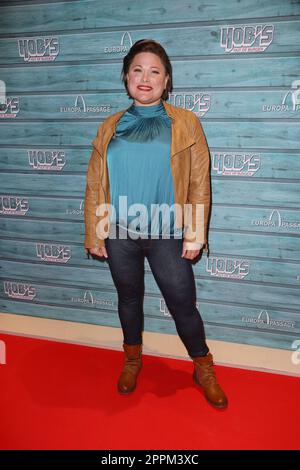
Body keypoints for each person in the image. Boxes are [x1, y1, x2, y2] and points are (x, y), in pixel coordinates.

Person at [84, 39, 228, 409]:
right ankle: (132, 359)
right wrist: (95, 230)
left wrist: (195, 234)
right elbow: (96, 181)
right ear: (126, 77)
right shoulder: (109, 127)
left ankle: (203, 366)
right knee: (128, 299)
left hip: (168, 230)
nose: (145, 77)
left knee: (183, 304)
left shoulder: (186, 122)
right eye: (137, 70)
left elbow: (199, 182)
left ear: (167, 81)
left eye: (154, 71)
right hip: (119, 232)